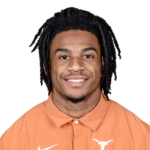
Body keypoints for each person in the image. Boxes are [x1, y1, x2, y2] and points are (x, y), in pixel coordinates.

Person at [0, 5, 150, 150]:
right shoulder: (13, 138)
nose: (76, 66)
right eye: (64, 57)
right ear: (47, 67)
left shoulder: (142, 135)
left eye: (87, 56)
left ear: (103, 65)